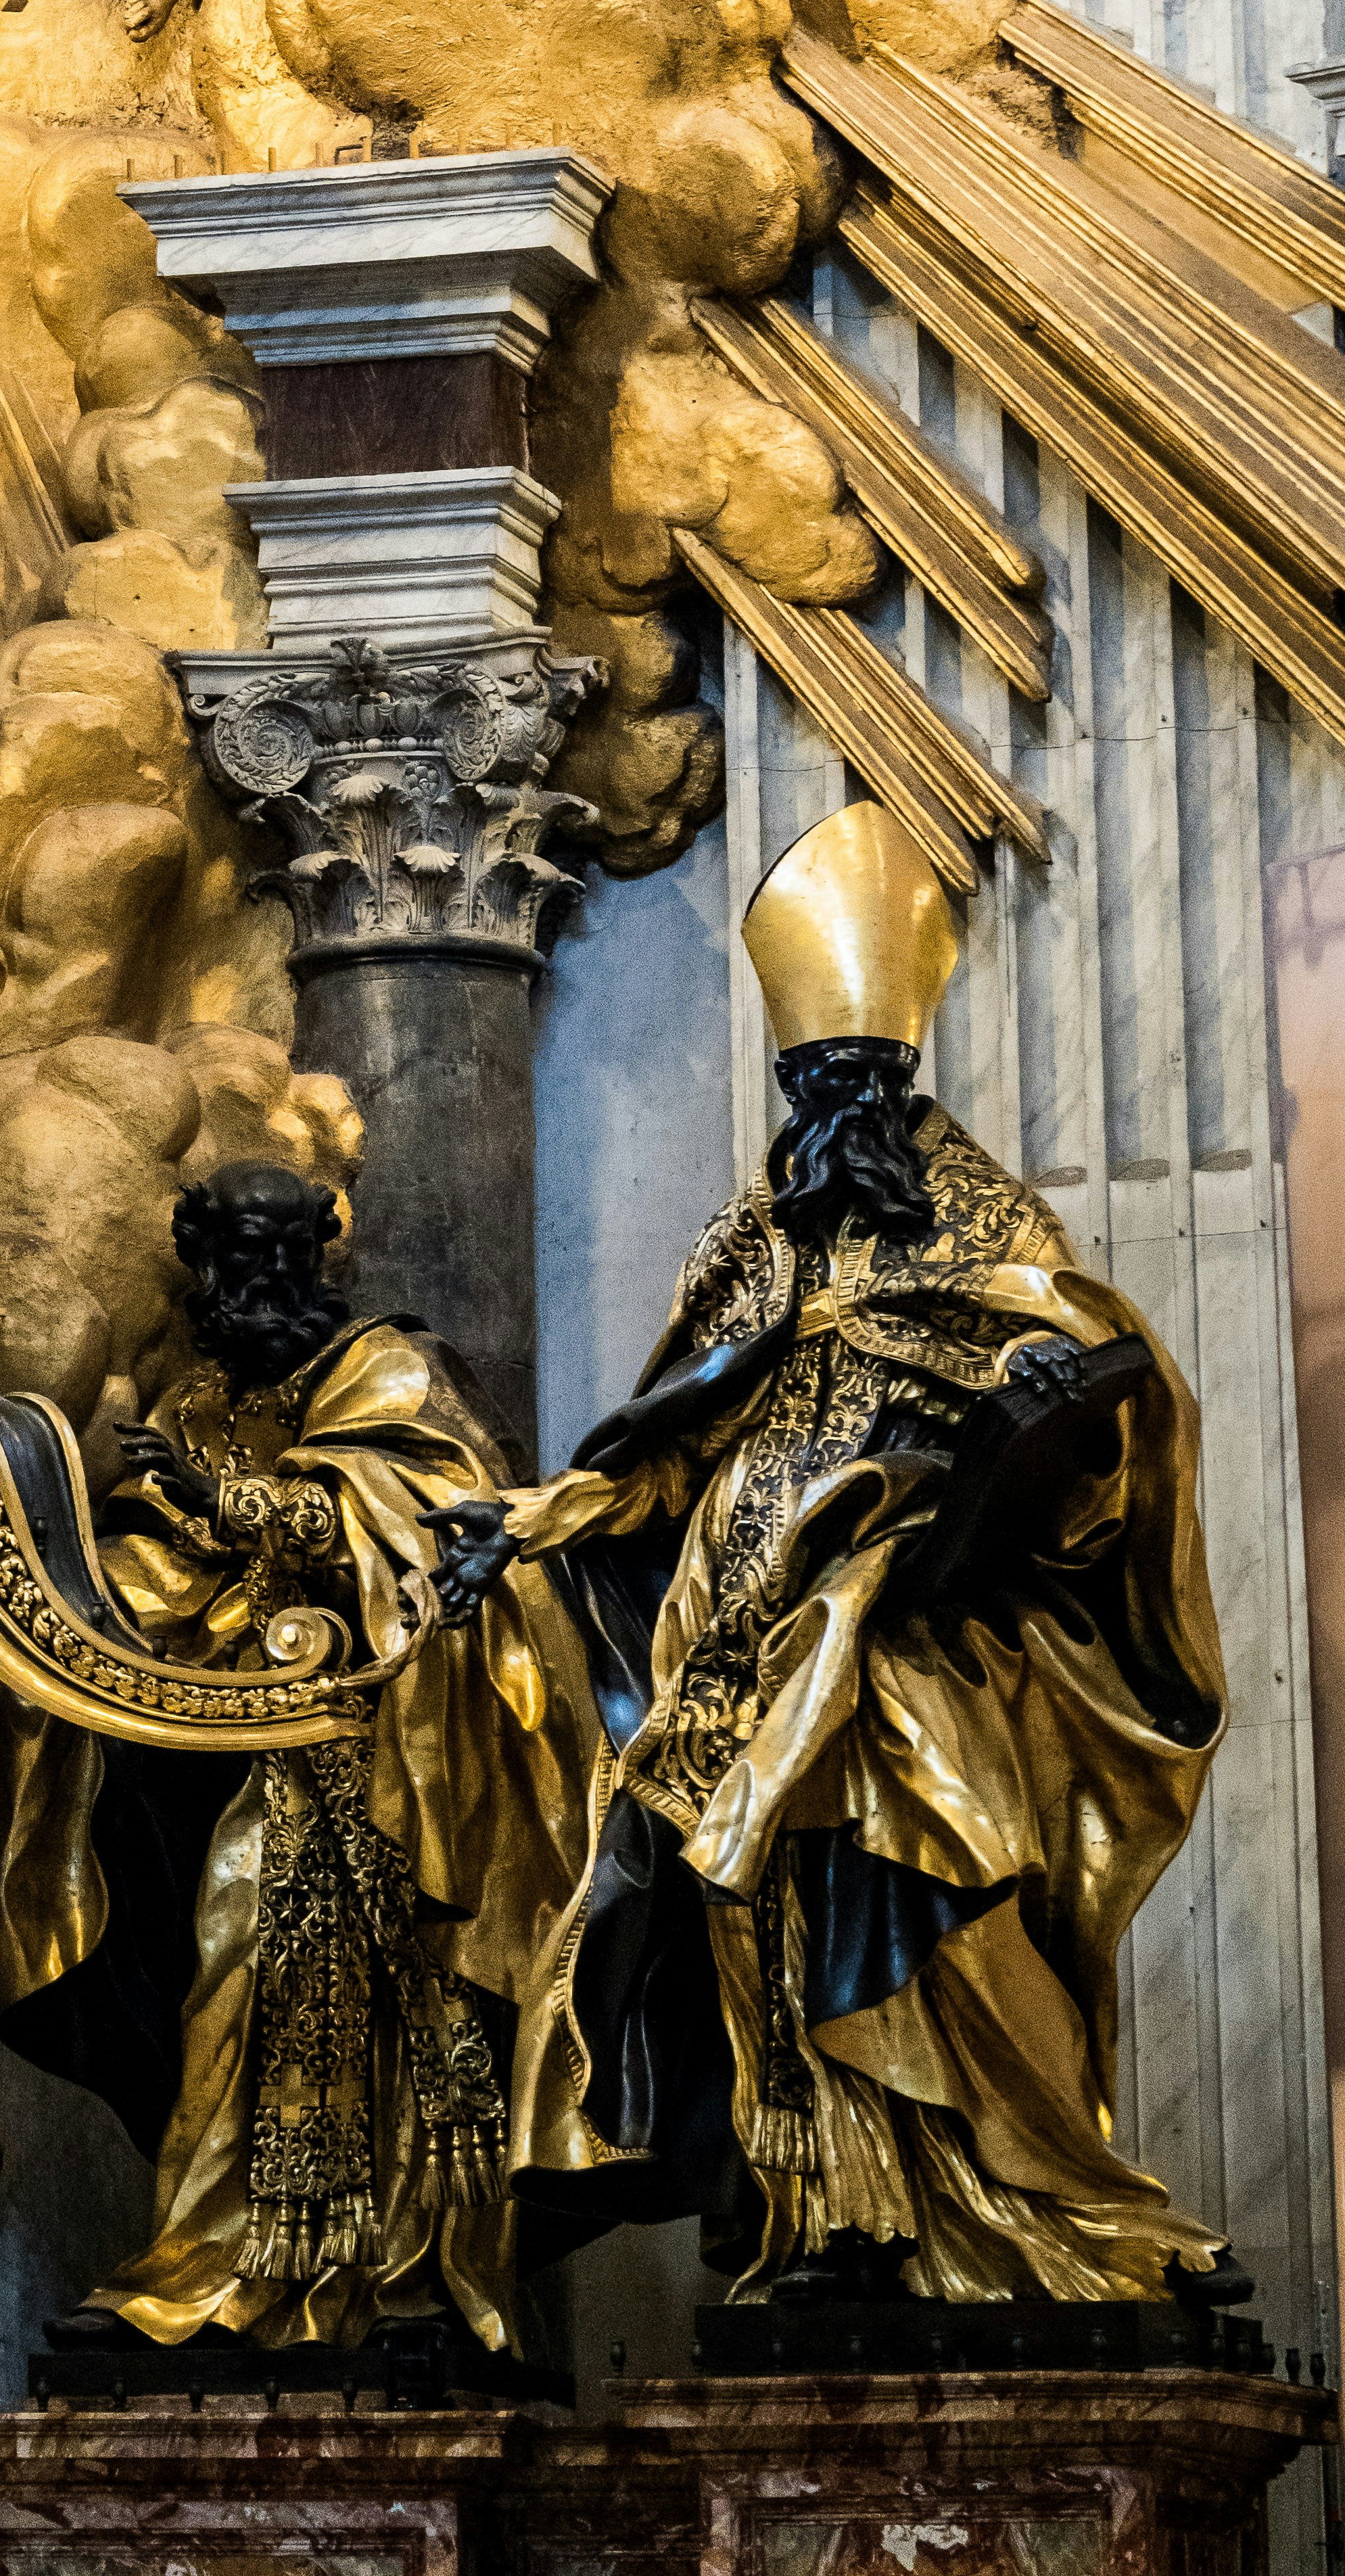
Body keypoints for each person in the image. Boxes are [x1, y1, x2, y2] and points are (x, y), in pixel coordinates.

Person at [427, 803, 1241, 2327]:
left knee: (934, 1882)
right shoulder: (751, 1250)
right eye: (815, 1079)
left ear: (906, 1085)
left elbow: (1097, 1396)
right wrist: (542, 1519)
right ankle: (833, 2215)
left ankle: (1038, 2197)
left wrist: (999, 1450)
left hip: (908, 1651)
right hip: (731, 1661)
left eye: (863, 1078)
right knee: (754, 1933)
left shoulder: (988, 1229)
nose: (836, 1105)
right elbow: (659, 1449)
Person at [0, 1163, 578, 2364]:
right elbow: (158, 1562)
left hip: (392, 1766)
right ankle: (218, 2267)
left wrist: (247, 1503)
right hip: (242, 1752)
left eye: (274, 1252)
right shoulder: (198, 1398)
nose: (248, 1279)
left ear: (320, 1253)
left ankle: (405, 2277)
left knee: (392, 2022)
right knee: (228, 1994)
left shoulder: (389, 1368)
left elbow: (447, 1520)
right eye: (224, 1258)